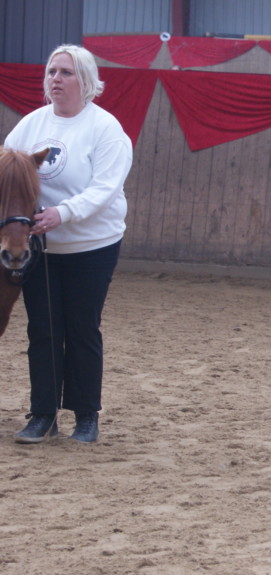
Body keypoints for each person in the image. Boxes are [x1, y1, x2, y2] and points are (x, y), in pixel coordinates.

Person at [3, 44, 132, 444]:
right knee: (43, 331)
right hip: (40, 250)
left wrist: (63, 213)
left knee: (81, 330)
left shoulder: (106, 129)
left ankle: (86, 415)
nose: (55, 79)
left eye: (65, 72)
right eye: (51, 72)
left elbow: (105, 190)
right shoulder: (31, 124)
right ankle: (42, 415)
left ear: (87, 81)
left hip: (91, 248)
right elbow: (6, 173)